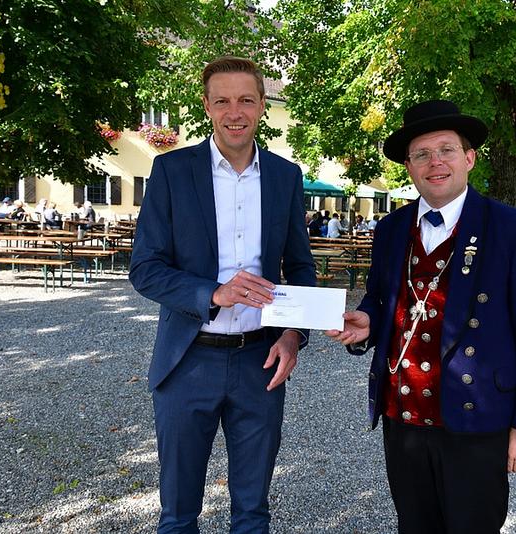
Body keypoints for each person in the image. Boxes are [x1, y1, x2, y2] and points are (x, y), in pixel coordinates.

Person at [326, 100, 516, 533]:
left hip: (476, 418)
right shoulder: (391, 229)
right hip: (403, 417)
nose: (435, 163)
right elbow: (380, 297)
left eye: (446, 150)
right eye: (421, 154)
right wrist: (367, 322)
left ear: (468, 158)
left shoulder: (510, 228)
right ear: (409, 167)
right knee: (414, 526)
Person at [129, 56, 316, 533]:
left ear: (262, 106)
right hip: (187, 359)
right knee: (177, 514)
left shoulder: (285, 176)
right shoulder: (171, 171)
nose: (235, 112)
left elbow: (298, 266)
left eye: (246, 100)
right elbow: (145, 269)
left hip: (261, 362)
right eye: (223, 101)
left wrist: (294, 333)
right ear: (208, 106)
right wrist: (213, 293)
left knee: (253, 513)